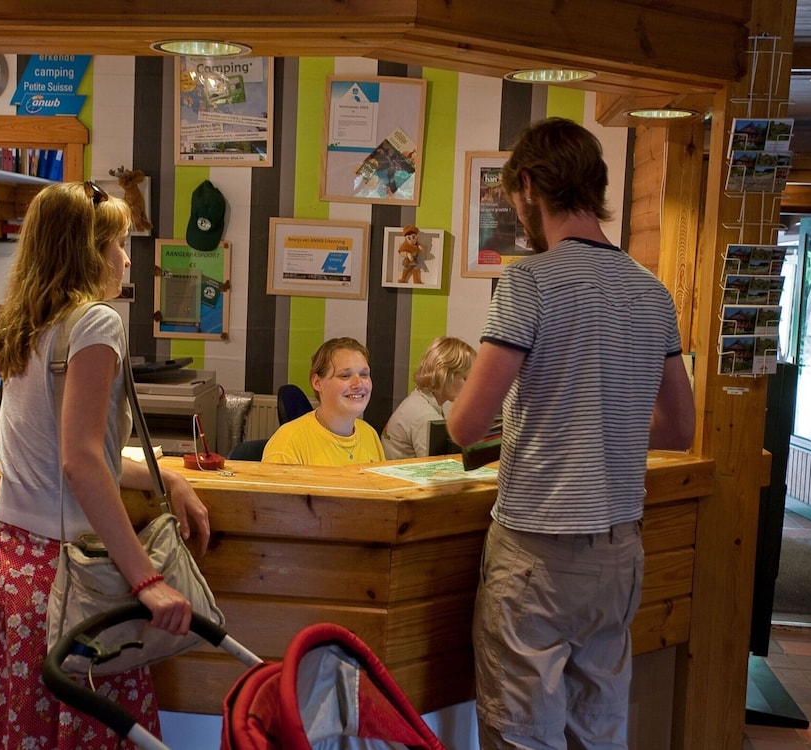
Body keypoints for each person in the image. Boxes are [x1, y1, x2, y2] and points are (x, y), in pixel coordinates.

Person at [446, 117, 696, 750]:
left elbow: (466, 425)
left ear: (529, 186)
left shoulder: (528, 281)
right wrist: (602, 423)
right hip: (620, 551)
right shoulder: (651, 292)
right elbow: (679, 427)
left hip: (539, 552)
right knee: (598, 733)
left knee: (522, 736)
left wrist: (560, 421)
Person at [0, 182, 211, 749]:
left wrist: (166, 476)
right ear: (88, 252)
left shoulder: (27, 324)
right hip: (69, 577)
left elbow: (67, 452)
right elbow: (81, 461)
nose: (126, 259)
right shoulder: (96, 323)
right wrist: (147, 580)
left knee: (14, 729)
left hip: (8, 565)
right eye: (118, 244)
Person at [262, 337, 385, 466]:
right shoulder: (287, 444)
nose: (358, 384)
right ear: (317, 383)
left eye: (364, 374)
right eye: (345, 376)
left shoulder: (369, 434)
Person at [381, 336, 476, 459]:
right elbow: (435, 467)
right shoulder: (425, 417)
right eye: (465, 378)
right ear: (445, 375)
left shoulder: (418, 401)